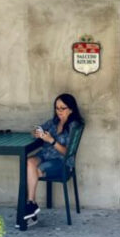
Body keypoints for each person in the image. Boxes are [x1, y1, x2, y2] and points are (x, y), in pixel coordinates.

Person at [23, 93, 83, 226]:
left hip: (61, 162)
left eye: (63, 108)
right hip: (44, 155)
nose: (59, 111)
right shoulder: (53, 122)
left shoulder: (74, 125)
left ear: (71, 109)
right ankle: (31, 204)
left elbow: (68, 152)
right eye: (57, 108)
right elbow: (35, 131)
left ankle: (29, 206)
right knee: (28, 163)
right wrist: (37, 133)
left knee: (33, 171)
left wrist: (51, 140)